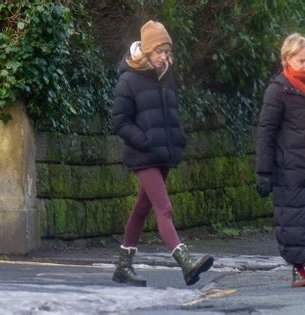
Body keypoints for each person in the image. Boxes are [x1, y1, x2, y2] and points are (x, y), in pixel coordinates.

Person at [111, 20, 214, 287]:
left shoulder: (166, 77)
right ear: (146, 51)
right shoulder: (128, 80)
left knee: (142, 208)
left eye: (167, 52)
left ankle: (123, 265)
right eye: (159, 51)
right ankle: (185, 262)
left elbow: (172, 116)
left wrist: (177, 141)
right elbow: (120, 122)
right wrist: (143, 140)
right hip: (143, 154)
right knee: (164, 208)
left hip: (163, 153)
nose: (164, 57)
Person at [255, 33, 305, 288]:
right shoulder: (277, 90)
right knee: (296, 224)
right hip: (289, 170)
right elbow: (266, 132)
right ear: (287, 59)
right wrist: (264, 172)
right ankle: (299, 268)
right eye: (301, 60)